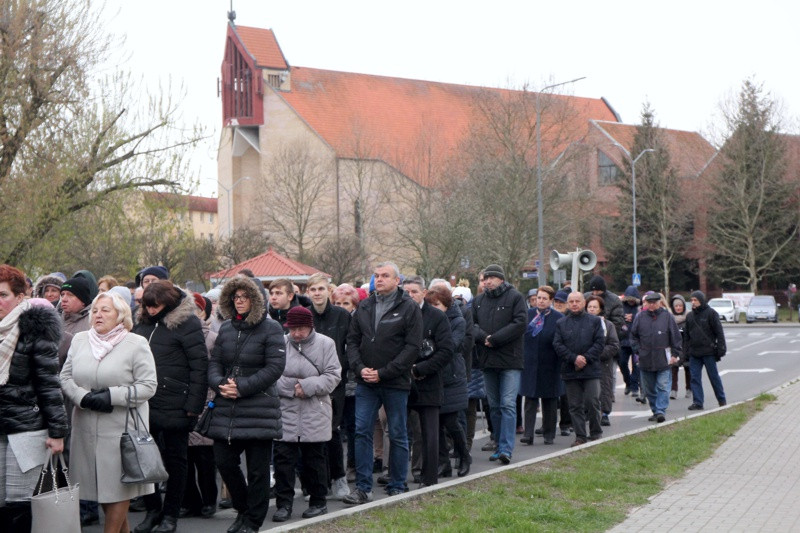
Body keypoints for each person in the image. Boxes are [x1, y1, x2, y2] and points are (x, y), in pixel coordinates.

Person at [60, 291, 158, 533]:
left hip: (121, 428)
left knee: (117, 488)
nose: (98, 315)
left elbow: (148, 386)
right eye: (94, 310)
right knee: (102, 490)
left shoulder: (136, 344)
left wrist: (112, 396)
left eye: (105, 310)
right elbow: (65, 376)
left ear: (120, 315)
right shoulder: (80, 339)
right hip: (85, 425)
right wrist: (82, 397)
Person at [206, 276, 285, 533]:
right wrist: (220, 384)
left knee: (258, 472)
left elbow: (275, 367)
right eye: (236, 297)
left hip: (259, 407)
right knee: (225, 462)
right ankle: (243, 509)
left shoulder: (271, 328)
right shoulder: (227, 328)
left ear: (256, 299)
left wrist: (242, 387)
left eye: (245, 297)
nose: (239, 302)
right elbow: (215, 362)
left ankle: (253, 521)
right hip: (227, 406)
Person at [132, 281, 208, 533]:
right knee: (145, 460)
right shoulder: (142, 323)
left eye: (157, 306)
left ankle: (171, 514)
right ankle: (153, 510)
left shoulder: (187, 323)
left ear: (169, 302)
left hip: (177, 402)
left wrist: (193, 406)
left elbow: (199, 366)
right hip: (145, 402)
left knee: (176, 462)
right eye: (148, 306)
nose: (152, 311)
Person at [343, 262, 422, 505]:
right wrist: (359, 368)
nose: (379, 279)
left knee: (397, 433)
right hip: (366, 381)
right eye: (376, 276)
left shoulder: (408, 307)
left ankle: (397, 485)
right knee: (362, 431)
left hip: (395, 381)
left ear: (397, 280)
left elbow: (412, 348)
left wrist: (384, 373)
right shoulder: (365, 306)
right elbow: (352, 342)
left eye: (385, 276)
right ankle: (363, 488)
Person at [0, 265, 67, 532]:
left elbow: (49, 383)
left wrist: (58, 431)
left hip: (26, 429)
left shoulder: (34, 329)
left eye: (3, 294)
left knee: (19, 502)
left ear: (20, 297)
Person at [272, 307, 341, 522]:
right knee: (283, 461)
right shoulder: (280, 344)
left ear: (310, 326)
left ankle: (318, 502)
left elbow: (333, 375)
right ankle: (284, 504)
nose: (296, 334)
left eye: (300, 329)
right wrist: (294, 388)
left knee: (315, 460)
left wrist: (309, 386)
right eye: (292, 329)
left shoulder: (326, 344)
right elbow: (272, 374)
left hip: (316, 409)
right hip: (286, 410)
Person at [471, 264, 526, 464]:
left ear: (501, 279)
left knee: (508, 404)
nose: (487, 281)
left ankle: (506, 448)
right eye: (485, 278)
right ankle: (498, 443)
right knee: (493, 405)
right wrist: (484, 337)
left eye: (491, 278)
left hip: (510, 359)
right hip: (487, 360)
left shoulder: (515, 298)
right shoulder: (478, 301)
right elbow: (472, 325)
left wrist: (495, 339)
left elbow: (520, 323)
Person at [402, 276, 453, 487]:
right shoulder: (398, 315)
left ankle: (429, 478)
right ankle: (397, 477)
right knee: (397, 431)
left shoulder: (436, 317)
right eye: (406, 292)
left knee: (429, 433)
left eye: (414, 291)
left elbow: (446, 350)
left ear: (424, 293)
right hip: (401, 380)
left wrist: (421, 369)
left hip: (428, 381)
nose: (410, 296)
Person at [306, 273, 351, 500]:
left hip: (335, 383)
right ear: (308, 292)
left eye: (321, 289)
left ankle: (339, 478)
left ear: (328, 291)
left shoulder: (342, 316)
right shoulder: (305, 317)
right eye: (313, 289)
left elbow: (350, 346)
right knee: (313, 433)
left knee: (332, 431)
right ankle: (317, 482)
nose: (317, 293)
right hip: (310, 383)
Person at [426, 284, 471, 478]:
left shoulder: (457, 320)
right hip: (434, 376)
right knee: (435, 422)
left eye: (437, 304)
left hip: (452, 375)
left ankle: (463, 456)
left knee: (451, 421)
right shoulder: (428, 318)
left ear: (446, 303)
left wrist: (430, 348)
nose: (434, 308)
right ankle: (443, 462)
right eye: (431, 304)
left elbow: (451, 346)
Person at [181, 294, 218, 519]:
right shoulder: (177, 336)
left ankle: (208, 500)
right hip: (181, 403)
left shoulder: (213, 338)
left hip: (206, 402)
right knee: (183, 459)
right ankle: (190, 501)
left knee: (205, 459)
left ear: (203, 313)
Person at [553, 291, 604, 446]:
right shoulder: (561, 323)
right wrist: (573, 358)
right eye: (571, 301)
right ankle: (580, 435)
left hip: (591, 369)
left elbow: (599, 343)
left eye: (577, 301)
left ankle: (595, 432)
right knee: (574, 405)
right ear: (568, 304)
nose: (574, 304)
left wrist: (585, 358)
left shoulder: (595, 321)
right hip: (570, 370)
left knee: (592, 401)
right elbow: (557, 344)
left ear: (584, 303)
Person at [519, 286, 564, 446]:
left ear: (551, 300)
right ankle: (528, 434)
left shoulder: (558, 318)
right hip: (530, 363)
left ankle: (549, 433)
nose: (541, 301)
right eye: (539, 298)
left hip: (550, 363)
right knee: (530, 399)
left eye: (545, 298)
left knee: (549, 400)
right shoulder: (528, 315)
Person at [630, 292, 682, 423]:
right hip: (645, 358)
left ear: (660, 302)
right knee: (649, 388)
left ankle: (660, 410)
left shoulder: (667, 317)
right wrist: (638, 350)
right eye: (649, 302)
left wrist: (675, 354)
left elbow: (675, 337)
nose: (652, 305)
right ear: (645, 303)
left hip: (663, 358)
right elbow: (633, 336)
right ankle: (655, 409)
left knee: (663, 386)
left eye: (654, 302)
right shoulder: (640, 317)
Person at [684, 290, 727, 410]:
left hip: (708, 352)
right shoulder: (689, 316)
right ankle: (698, 402)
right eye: (691, 300)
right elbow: (686, 336)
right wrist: (686, 352)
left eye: (695, 300)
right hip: (694, 353)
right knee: (694, 378)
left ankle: (721, 400)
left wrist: (721, 348)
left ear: (701, 301)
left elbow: (719, 332)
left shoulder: (711, 314)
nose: (693, 302)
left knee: (714, 377)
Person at [585, 296, 620, 427]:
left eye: (595, 307)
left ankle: (605, 413)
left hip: (602, 362)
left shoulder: (608, 325)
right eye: (589, 307)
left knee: (604, 387)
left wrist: (597, 354)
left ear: (600, 309)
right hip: (586, 363)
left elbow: (614, 345)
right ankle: (589, 412)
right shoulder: (582, 323)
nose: (592, 309)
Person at [619, 286, 642, 397]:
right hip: (623, 340)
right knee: (622, 363)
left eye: (633, 299)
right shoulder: (621, 307)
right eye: (629, 298)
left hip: (636, 341)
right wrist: (623, 318)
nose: (631, 301)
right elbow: (617, 319)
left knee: (636, 365)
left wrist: (633, 318)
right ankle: (628, 382)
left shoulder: (639, 308)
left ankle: (634, 387)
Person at [669, 294, 691, 400]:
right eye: (676, 306)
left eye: (680, 306)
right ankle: (673, 390)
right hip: (675, 348)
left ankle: (689, 389)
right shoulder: (670, 318)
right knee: (674, 369)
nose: (678, 308)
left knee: (688, 368)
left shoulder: (689, 317)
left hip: (687, 347)